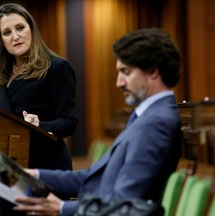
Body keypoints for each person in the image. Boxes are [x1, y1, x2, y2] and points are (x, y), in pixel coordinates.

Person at [11, 28, 183, 216]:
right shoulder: (149, 116)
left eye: (126, 72)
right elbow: (94, 178)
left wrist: (60, 209)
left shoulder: (155, 123)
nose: (119, 82)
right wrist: (34, 175)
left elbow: (125, 206)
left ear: (153, 72)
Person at [0, 3, 77, 170]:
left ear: (31, 30)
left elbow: (69, 122)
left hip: (46, 167)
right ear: (1, 41)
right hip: (10, 166)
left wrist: (40, 126)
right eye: (7, 32)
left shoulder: (56, 67)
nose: (15, 36)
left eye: (20, 28)